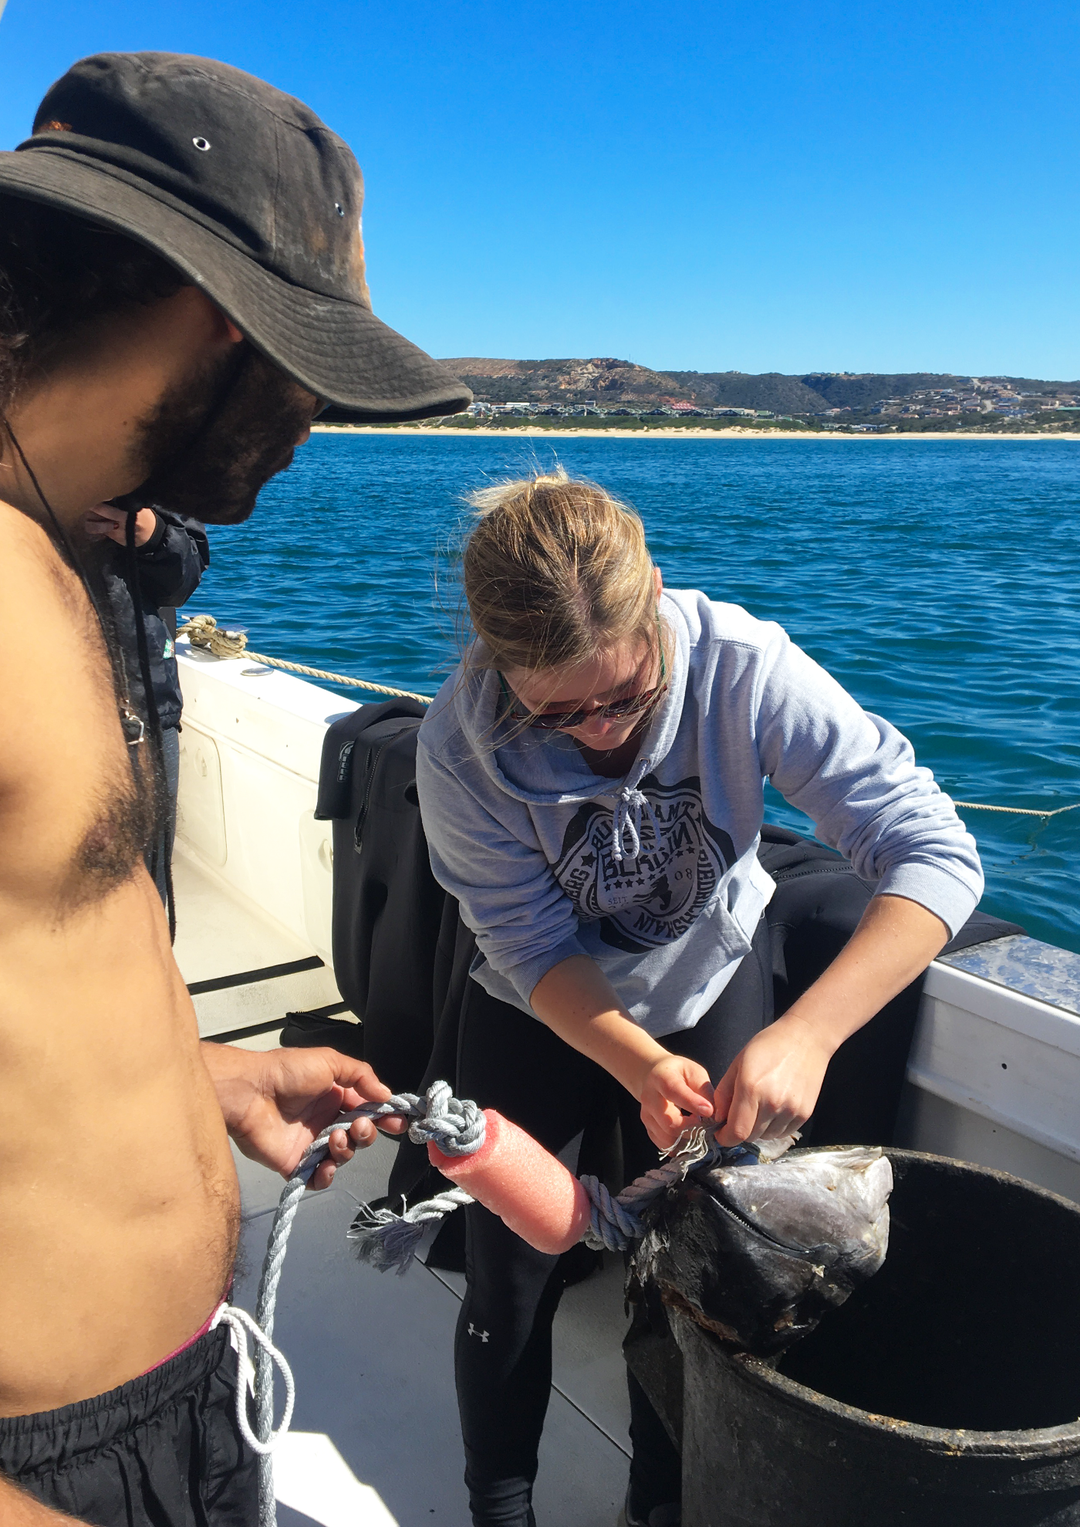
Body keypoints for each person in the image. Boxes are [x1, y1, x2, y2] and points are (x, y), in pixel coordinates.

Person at [0, 50, 469, 1527]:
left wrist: (193, 1078)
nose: (311, 420)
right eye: (307, 368)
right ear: (216, 315)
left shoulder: (55, 547)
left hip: (169, 1403)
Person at [414, 469, 984, 1527]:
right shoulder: (458, 745)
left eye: (625, 700)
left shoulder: (744, 667)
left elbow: (935, 856)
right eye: (557, 713)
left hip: (709, 982)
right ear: (499, 666)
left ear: (657, 601)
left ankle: (659, 1504)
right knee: (510, 1282)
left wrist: (807, 1034)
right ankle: (500, 1506)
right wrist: (633, 1061)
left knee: (689, 1283)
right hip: (534, 1010)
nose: (596, 733)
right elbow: (530, 940)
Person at [85, 500, 210, 911]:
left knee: (145, 880)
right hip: (29, 714)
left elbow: (183, 581)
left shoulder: (161, 461)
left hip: (142, 712)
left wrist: (153, 535)